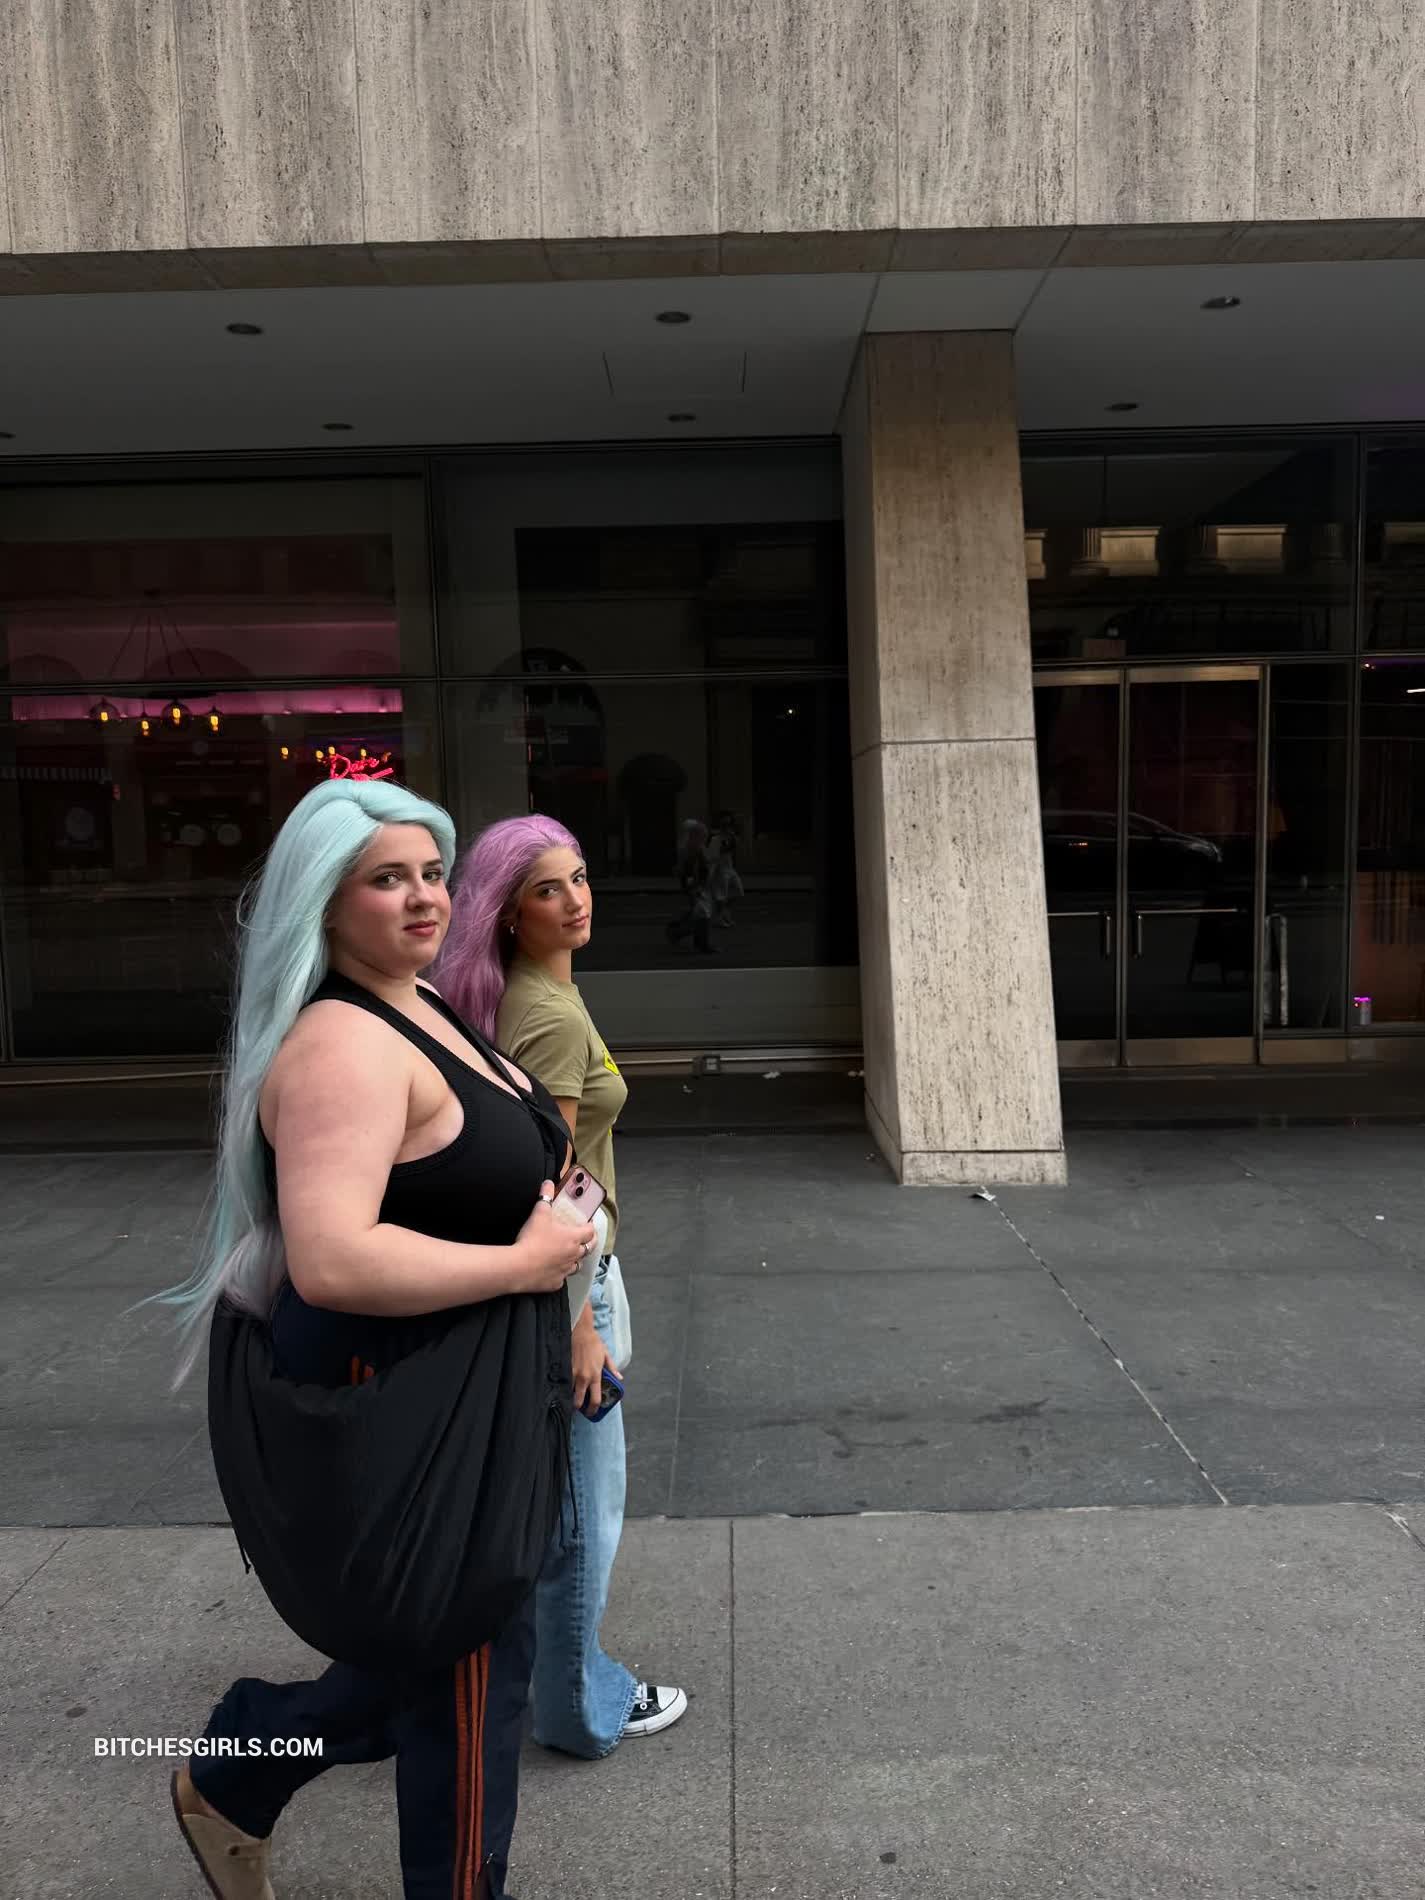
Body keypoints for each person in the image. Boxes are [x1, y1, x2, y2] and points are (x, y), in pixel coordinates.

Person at [157, 778, 595, 1900]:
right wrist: (526, 1267)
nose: (424, 898)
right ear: (324, 900)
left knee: (458, 1653)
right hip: (409, 1394)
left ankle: (240, 1765)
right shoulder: (342, 1046)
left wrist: (569, 1292)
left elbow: (509, 1173)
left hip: (487, 1384)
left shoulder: (422, 1001)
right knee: (469, 1670)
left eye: (433, 873)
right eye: (386, 879)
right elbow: (334, 1259)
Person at [437, 815, 689, 1759]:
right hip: (570, 1286)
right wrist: (578, 1321)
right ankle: (580, 1708)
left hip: (555, 1284)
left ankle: (544, 1678)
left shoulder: (522, 995)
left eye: (579, 878)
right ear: (507, 911)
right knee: (584, 1510)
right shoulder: (544, 1013)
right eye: (547, 888)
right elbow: (552, 1183)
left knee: (558, 1502)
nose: (575, 900)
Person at [666, 816, 715, 954]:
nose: (705, 834)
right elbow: (689, 871)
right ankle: (694, 940)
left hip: (701, 885)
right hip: (697, 886)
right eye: (701, 832)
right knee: (703, 914)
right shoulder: (691, 848)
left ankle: (680, 933)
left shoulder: (696, 846)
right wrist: (694, 888)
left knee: (699, 914)